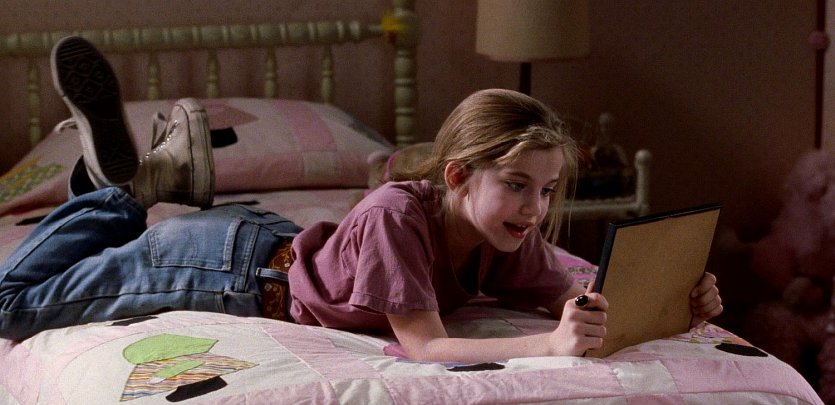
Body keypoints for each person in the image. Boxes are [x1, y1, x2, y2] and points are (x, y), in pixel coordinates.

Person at [0, 37, 723, 362]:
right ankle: (117, 194)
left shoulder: (507, 233)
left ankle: (145, 185)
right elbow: (424, 346)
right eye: (515, 185)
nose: (534, 211)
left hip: (267, 241)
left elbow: (573, 293)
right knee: (9, 306)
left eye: (546, 191)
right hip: (225, 267)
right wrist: (553, 346)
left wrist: (669, 299)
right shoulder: (393, 216)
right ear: (456, 176)